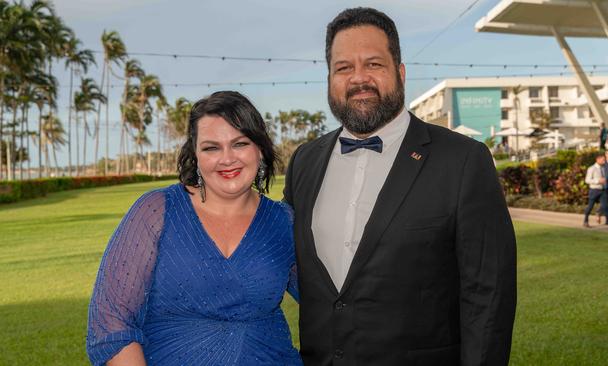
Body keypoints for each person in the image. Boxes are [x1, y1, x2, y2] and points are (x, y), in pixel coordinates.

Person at [283, 7, 517, 365]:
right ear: (329, 78)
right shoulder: (304, 161)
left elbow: (489, 294)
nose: (358, 78)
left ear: (401, 73)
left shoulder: (463, 160)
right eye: (344, 67)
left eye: (374, 64)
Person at [86, 91, 301, 366]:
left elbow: (327, 301)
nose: (227, 159)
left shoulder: (283, 222)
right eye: (211, 147)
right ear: (196, 155)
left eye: (240, 143)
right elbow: (112, 322)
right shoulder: (156, 211)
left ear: (259, 148)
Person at [583, 153, 608, 228]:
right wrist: (598, 181)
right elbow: (587, 180)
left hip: (602, 190)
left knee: (605, 206)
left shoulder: (604, 168)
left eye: (605, 159)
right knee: (590, 206)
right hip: (594, 190)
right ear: (598, 159)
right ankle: (585, 221)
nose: (604, 161)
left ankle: (599, 213)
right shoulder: (592, 168)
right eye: (603, 159)